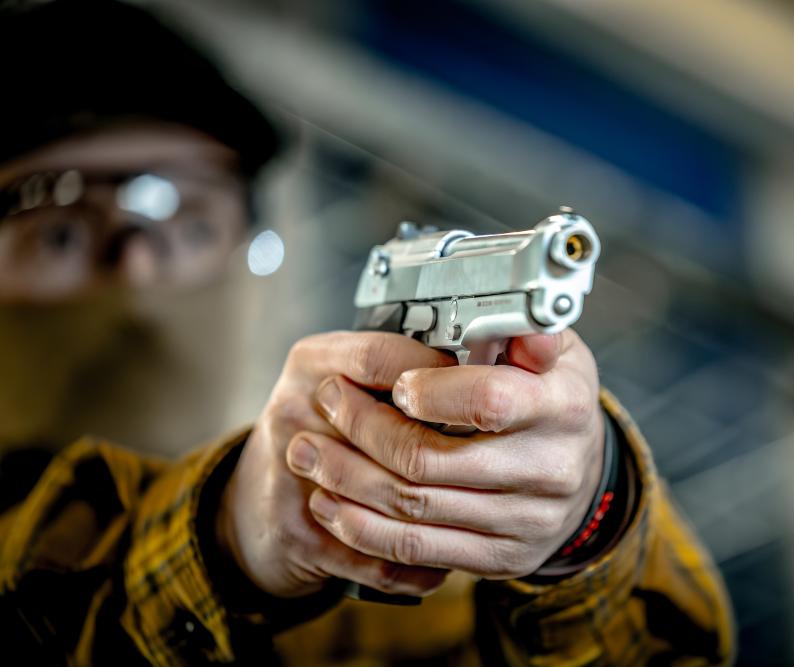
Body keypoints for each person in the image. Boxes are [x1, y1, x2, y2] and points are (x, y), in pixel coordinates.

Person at [0, 1, 734, 665]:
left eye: (191, 225)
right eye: (58, 231)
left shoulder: (403, 604)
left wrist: (585, 517)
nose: (140, 269)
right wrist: (225, 536)